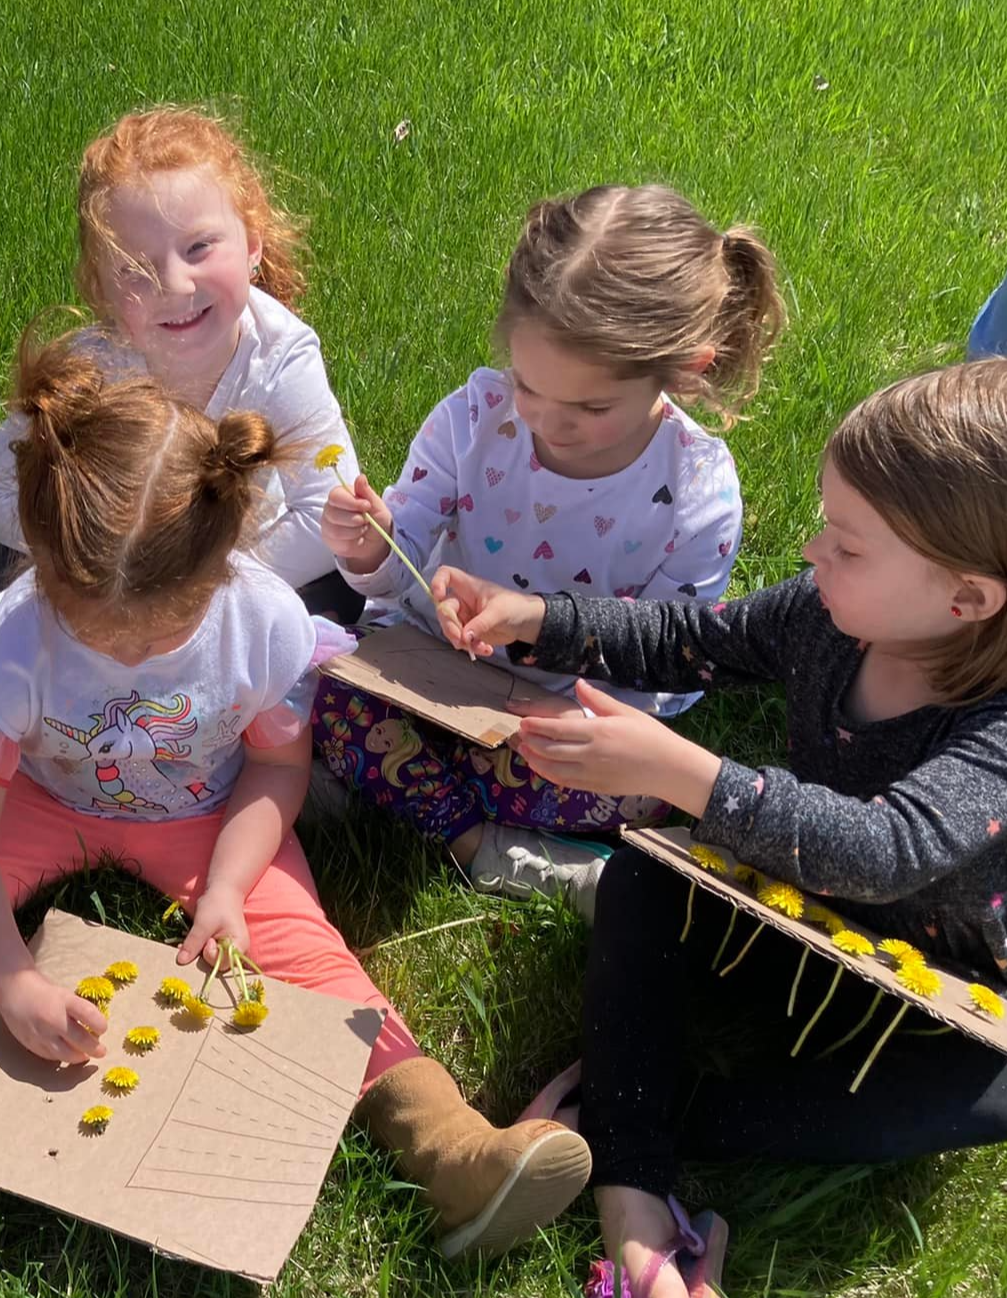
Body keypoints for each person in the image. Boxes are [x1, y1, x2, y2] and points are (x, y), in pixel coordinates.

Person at [0, 324, 591, 1261]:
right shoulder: (15, 642)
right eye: (97, 630)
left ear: (225, 560)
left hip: (203, 811)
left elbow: (273, 766)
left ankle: (446, 1142)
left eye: (164, 631)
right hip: (41, 799)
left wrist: (228, 889)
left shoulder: (262, 619)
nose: (132, 655)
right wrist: (11, 980)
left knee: (308, 947)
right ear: (42, 564)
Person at [430, 360, 1007, 1298]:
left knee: (977, 1096)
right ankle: (634, 1198)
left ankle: (633, 1117)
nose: (816, 553)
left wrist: (680, 770)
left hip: (944, 986)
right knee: (642, 880)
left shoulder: (996, 726)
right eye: (828, 527)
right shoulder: (828, 617)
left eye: (850, 546)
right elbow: (693, 637)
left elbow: (887, 850)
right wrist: (537, 617)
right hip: (793, 906)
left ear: (968, 598)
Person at [318, 184, 783, 916]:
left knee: (644, 785)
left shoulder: (696, 489)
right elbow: (389, 566)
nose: (547, 422)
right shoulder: (474, 419)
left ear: (686, 368)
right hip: (426, 671)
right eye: (529, 385)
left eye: (592, 407)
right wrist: (365, 545)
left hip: (566, 714)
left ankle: (411, 803)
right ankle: (487, 846)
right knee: (330, 695)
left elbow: (668, 654)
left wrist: (581, 727)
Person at [0, 106, 362, 622]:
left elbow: (329, 513)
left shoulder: (281, 356)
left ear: (252, 243)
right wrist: (96, 567)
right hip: (111, 577)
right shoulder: (94, 366)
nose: (175, 285)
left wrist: (191, 589)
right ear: (100, 285)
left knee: (341, 589)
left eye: (199, 247)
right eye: (136, 269)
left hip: (238, 572)